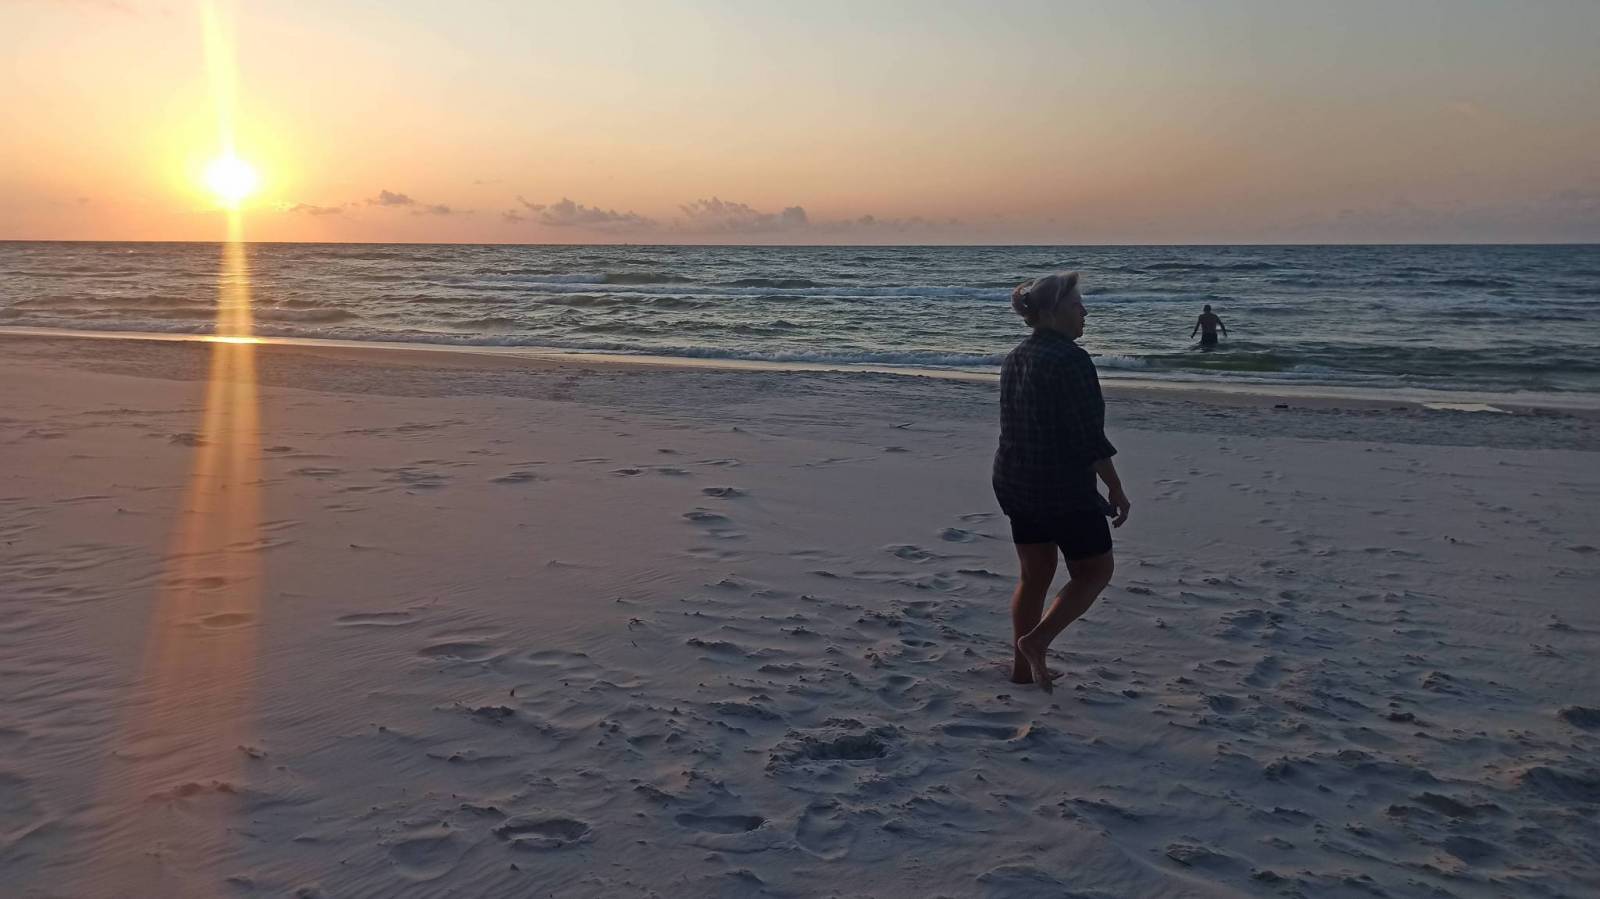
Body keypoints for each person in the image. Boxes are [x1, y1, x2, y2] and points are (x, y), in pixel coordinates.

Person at [993, 272, 1130, 694]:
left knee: (1034, 575)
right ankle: (1037, 642)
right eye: (1076, 305)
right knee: (1095, 570)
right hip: (1061, 487)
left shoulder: (1016, 356)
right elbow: (1088, 437)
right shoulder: (1072, 360)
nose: (1084, 311)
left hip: (1015, 480)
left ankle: (1022, 670)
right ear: (1053, 313)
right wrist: (1115, 487)